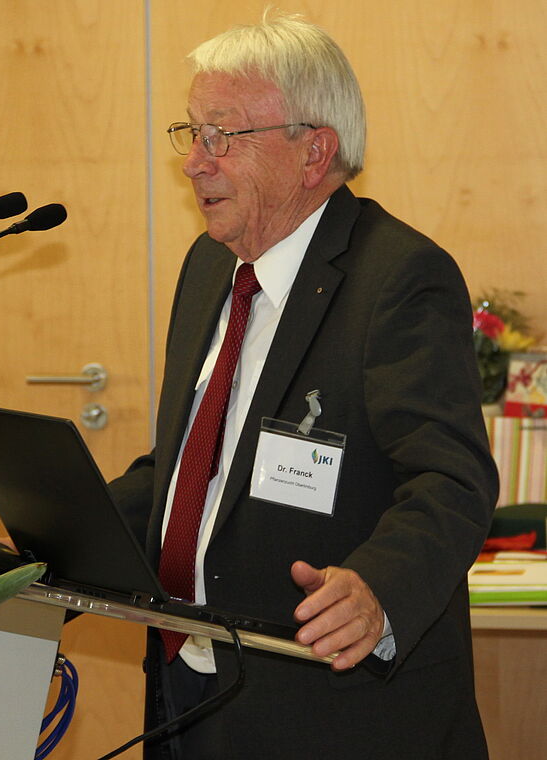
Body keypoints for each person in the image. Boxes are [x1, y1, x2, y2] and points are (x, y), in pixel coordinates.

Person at [105, 10, 499, 759]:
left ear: (313, 150)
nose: (195, 162)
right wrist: (50, 540)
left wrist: (377, 587)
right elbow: (193, 467)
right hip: (190, 690)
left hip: (334, 712)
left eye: (222, 136)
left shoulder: (397, 279)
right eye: (192, 133)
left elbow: (451, 479)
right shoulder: (205, 269)